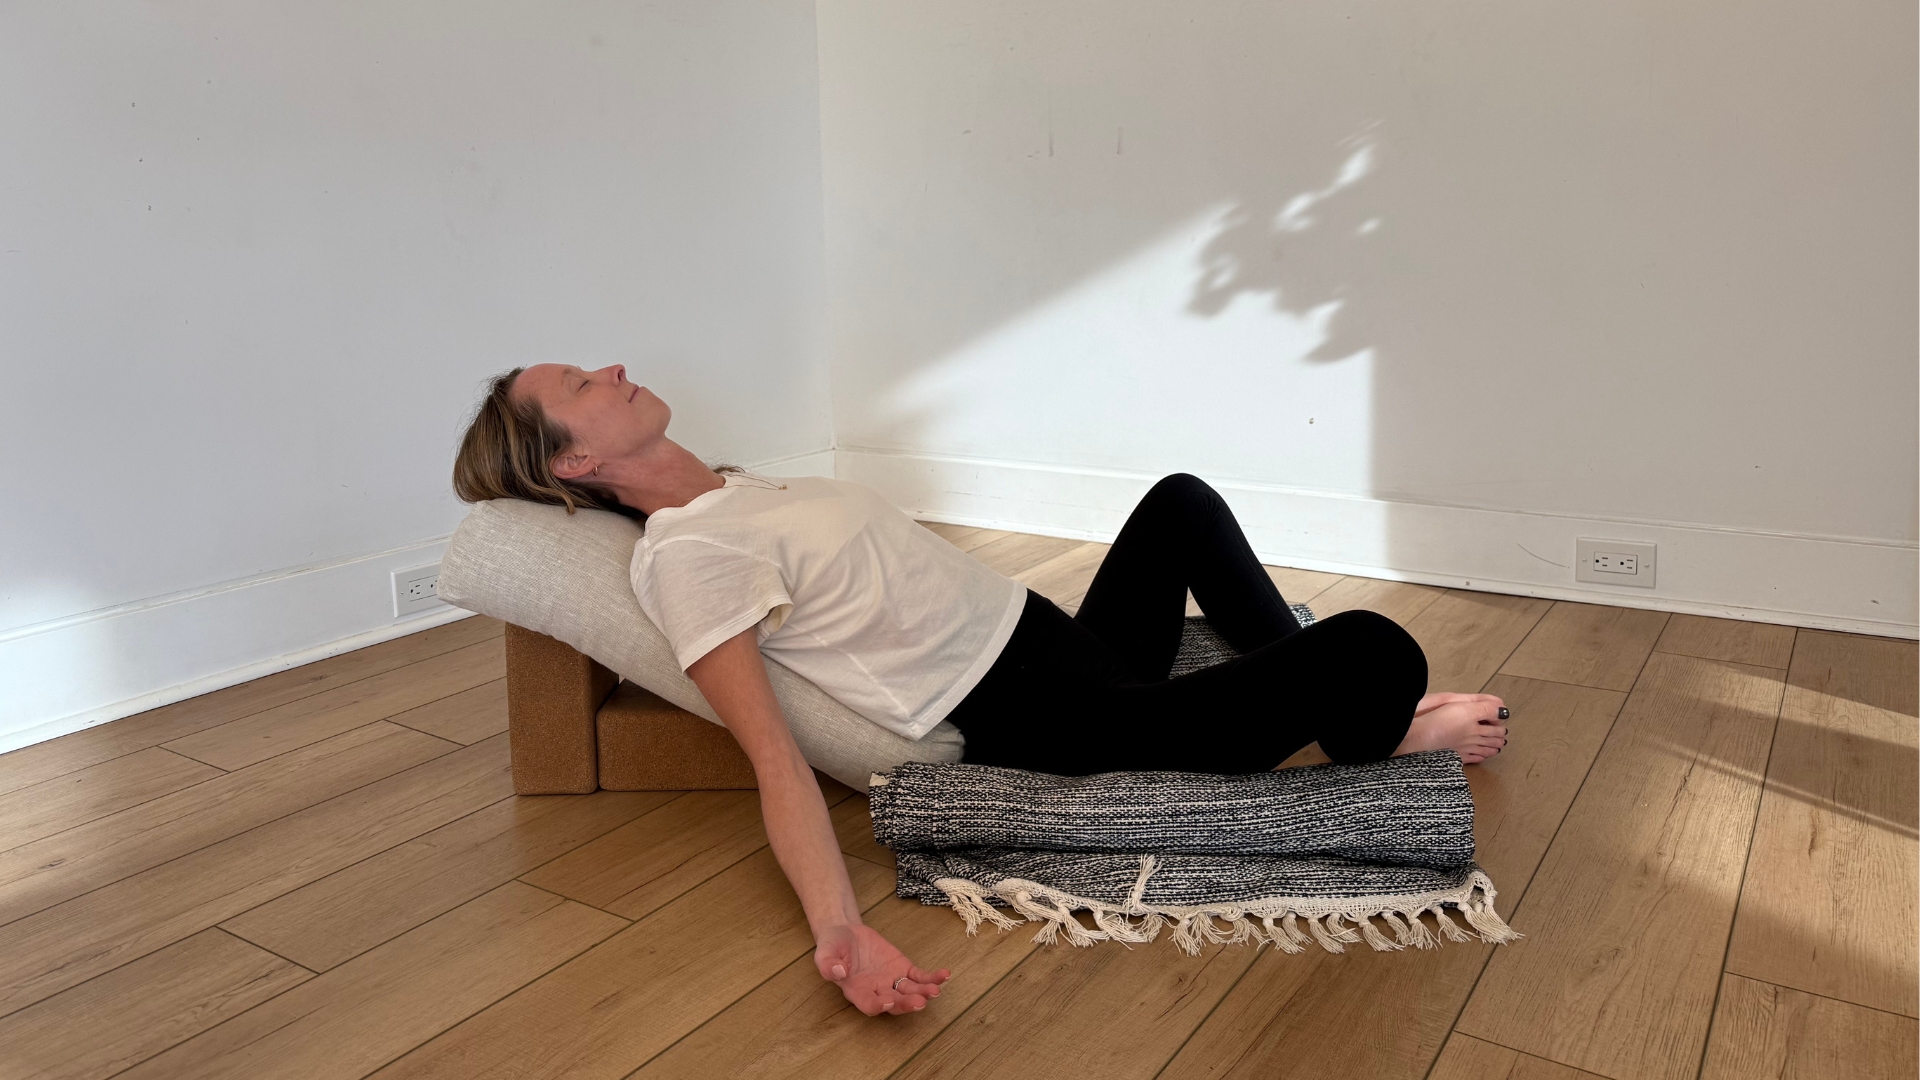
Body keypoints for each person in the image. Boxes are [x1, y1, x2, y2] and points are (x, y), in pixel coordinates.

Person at [452, 363, 1509, 1017]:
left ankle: (1332, 692)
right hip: (1059, 720)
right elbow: (772, 750)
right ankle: (1383, 737)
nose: (616, 366)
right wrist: (837, 931)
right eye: (582, 385)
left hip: (1060, 645)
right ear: (578, 461)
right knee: (1373, 645)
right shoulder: (688, 558)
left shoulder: (740, 490)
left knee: (1180, 502)